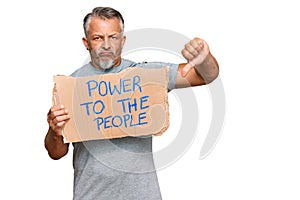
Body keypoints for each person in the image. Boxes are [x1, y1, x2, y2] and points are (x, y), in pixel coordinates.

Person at [45, 6, 219, 200]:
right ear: (86, 43)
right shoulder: (71, 86)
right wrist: (54, 131)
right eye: (98, 38)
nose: (106, 45)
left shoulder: (145, 76)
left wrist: (204, 59)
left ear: (123, 41)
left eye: (113, 37)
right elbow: (56, 153)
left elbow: (205, 76)